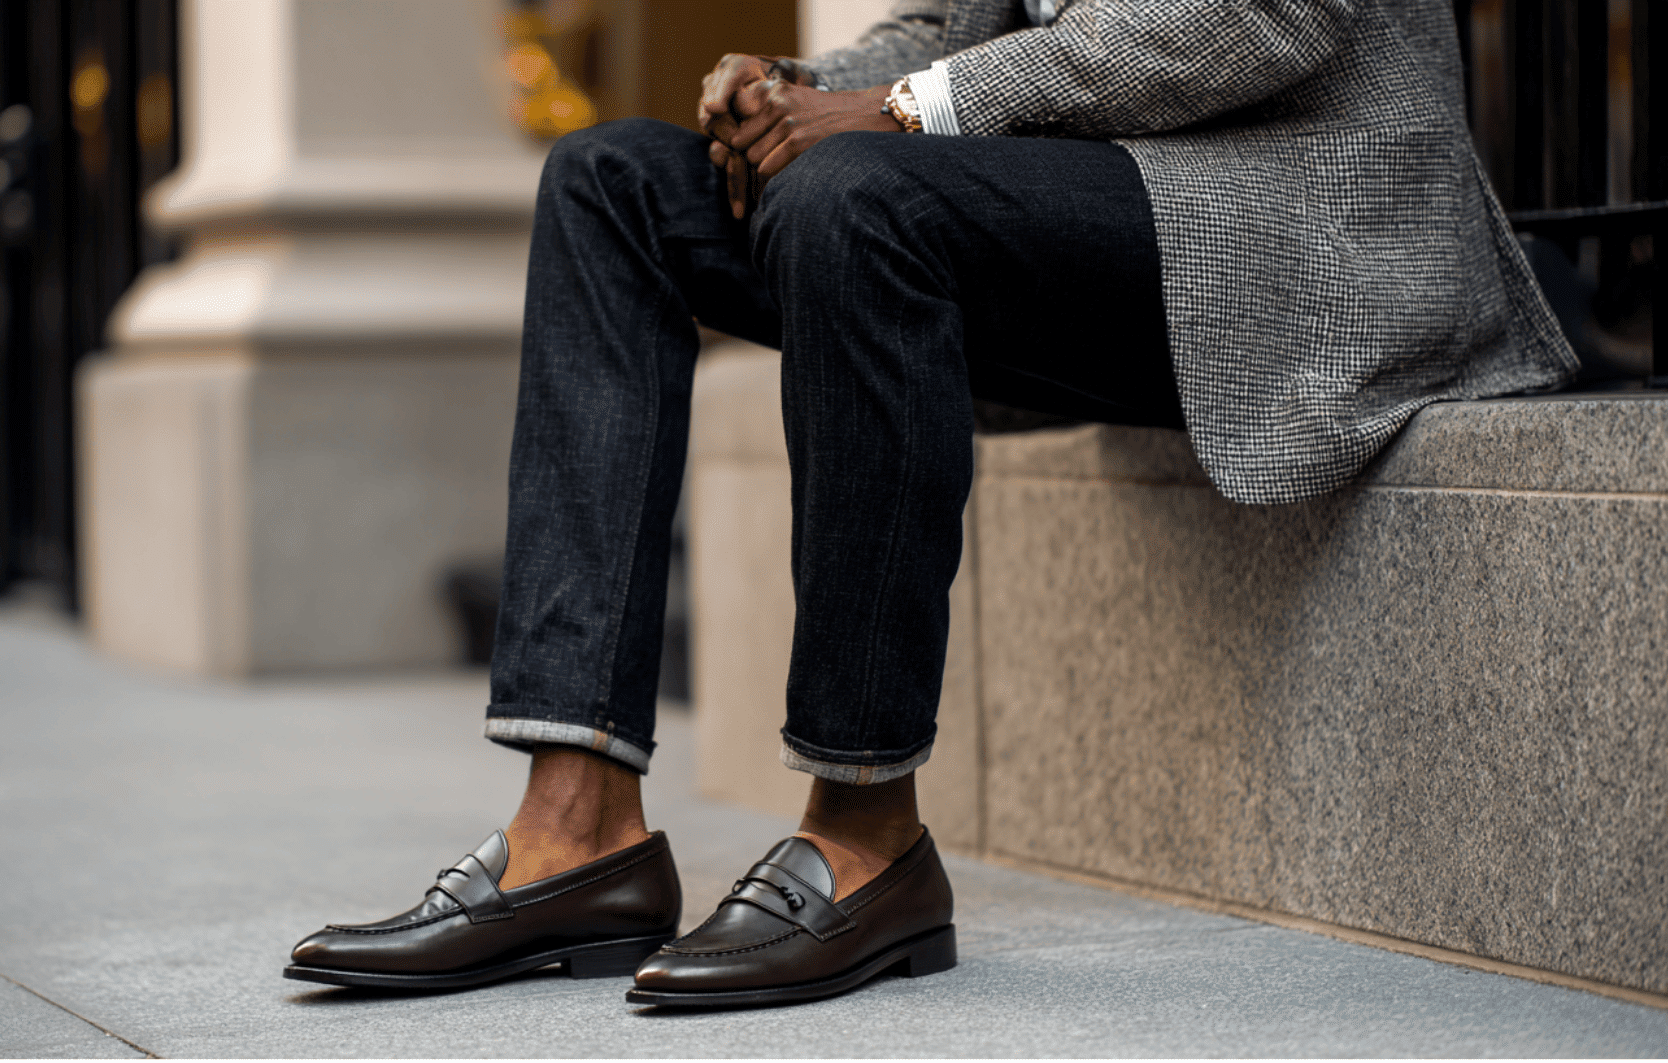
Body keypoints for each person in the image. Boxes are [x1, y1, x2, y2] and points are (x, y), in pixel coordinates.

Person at [284, 0, 1575, 1007]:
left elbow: (1267, 20)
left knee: (856, 196)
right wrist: (797, 91)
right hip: (1082, 206)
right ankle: (577, 832)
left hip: (1290, 229)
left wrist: (894, 111)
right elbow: (972, 34)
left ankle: (863, 833)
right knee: (607, 185)